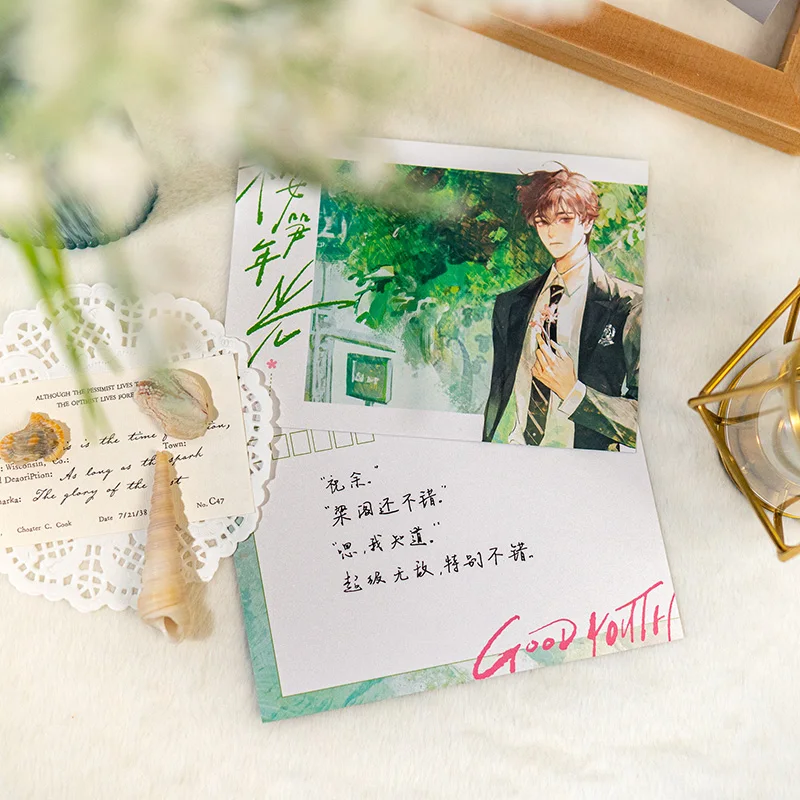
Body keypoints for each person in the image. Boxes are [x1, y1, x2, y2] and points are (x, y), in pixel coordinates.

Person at [482, 166, 642, 451]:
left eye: (565, 219)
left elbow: (647, 422)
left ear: (587, 222)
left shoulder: (629, 305)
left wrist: (574, 392)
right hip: (512, 453)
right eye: (542, 222)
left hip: (582, 464)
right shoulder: (511, 304)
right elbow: (501, 396)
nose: (552, 232)